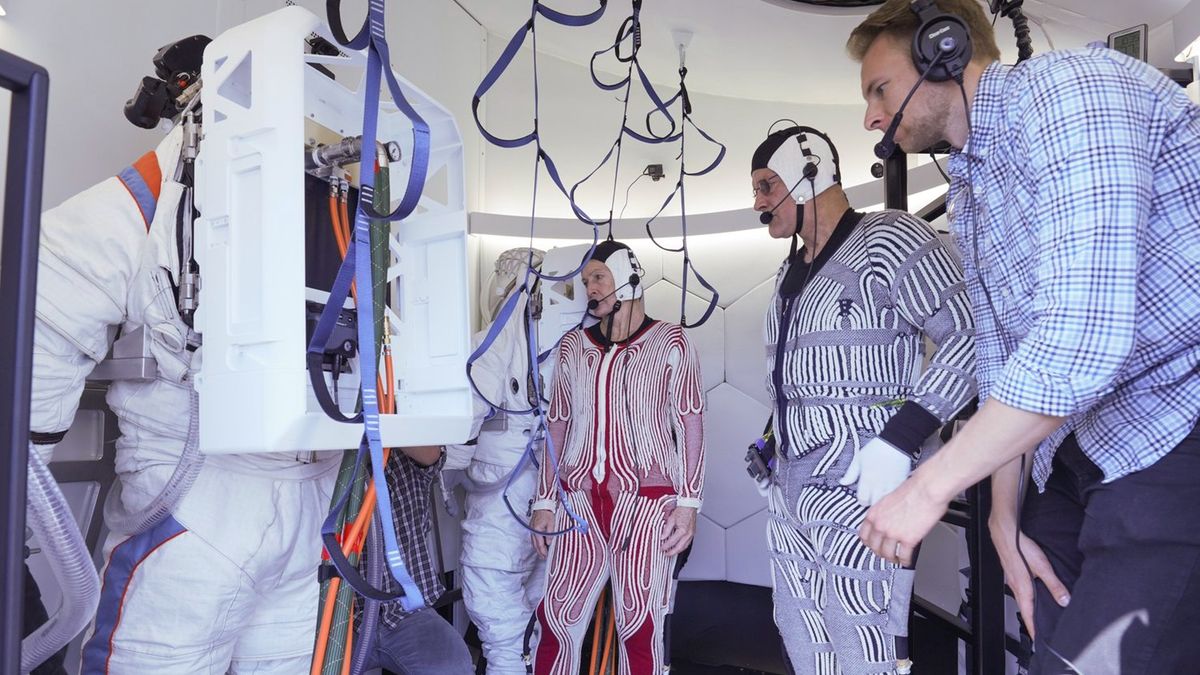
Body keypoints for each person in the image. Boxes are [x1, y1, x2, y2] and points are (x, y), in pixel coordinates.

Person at [847, 1, 1200, 672]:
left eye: (879, 88)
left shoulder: (1070, 91)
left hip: (1175, 430)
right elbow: (1002, 358)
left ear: (940, 49)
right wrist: (1002, 521)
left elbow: (1078, 342)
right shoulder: (972, 188)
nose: (870, 117)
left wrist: (926, 489)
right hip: (1082, 456)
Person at [30, 127, 340, 673]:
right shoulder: (354, 187)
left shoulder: (181, 170)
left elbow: (50, 296)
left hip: (214, 509)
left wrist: (29, 458)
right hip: (277, 502)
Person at [751, 124, 975, 674]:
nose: (756, 202)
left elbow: (969, 336)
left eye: (765, 184)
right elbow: (799, 380)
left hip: (860, 494)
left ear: (809, 173)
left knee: (864, 645)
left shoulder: (888, 240)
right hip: (789, 499)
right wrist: (770, 440)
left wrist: (901, 438)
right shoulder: (788, 271)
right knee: (802, 640)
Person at [527, 240, 706, 675]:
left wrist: (689, 504)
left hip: (645, 504)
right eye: (586, 280)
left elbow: (691, 423)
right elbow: (558, 424)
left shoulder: (671, 342)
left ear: (629, 273)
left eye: (598, 277)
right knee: (555, 619)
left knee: (640, 625)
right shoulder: (574, 346)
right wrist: (544, 502)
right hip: (580, 504)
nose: (590, 287)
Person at [443, 247, 552, 675]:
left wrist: (444, 470)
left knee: (497, 620)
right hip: (545, 508)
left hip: (499, 512)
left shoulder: (488, 346)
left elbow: (465, 422)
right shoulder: (562, 350)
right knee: (534, 626)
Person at [357, 445, 475, 674]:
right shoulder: (333, 463)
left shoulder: (407, 452)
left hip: (407, 611)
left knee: (454, 668)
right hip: (339, 616)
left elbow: (431, 455)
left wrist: (380, 417)